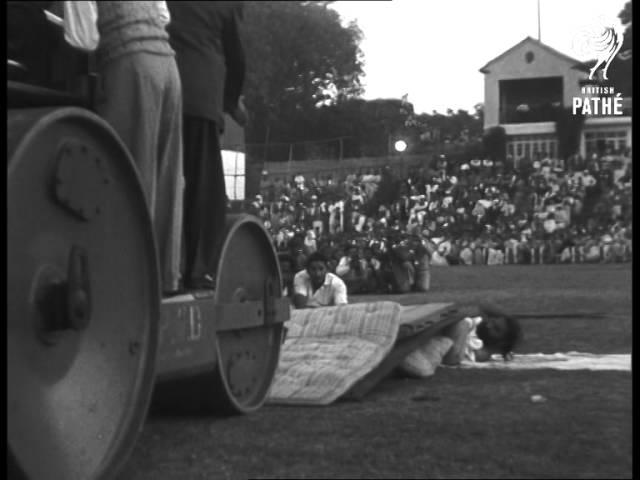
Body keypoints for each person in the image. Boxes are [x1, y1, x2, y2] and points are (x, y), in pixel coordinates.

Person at [67, 1, 185, 293]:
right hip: (169, 66)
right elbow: (162, 16)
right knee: (167, 178)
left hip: (131, 64)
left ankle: (128, 282)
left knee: (130, 176)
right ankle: (163, 279)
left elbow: (83, 38)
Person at [166, 1, 247, 289]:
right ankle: (199, 271)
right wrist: (230, 101)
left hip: (163, 86)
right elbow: (236, 58)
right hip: (201, 96)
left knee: (165, 183)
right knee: (204, 189)